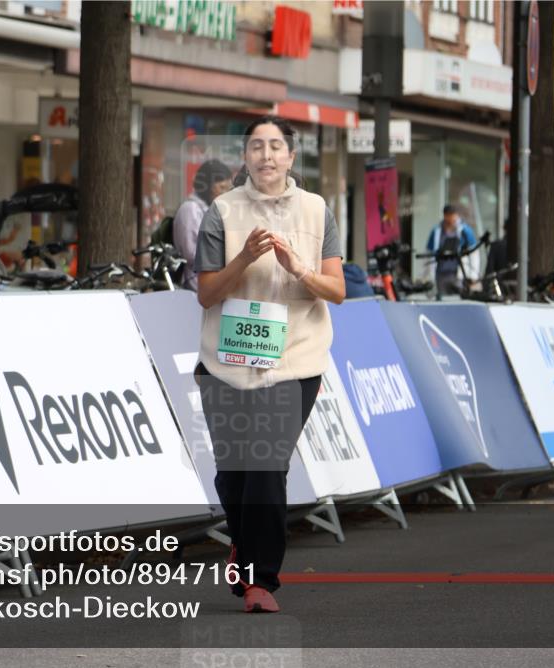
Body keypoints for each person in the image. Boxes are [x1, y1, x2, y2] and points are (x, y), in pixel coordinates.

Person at [193, 115, 345, 613]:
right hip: (226, 361)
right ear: (245, 157)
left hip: (295, 361)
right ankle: (242, 540)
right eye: (256, 147)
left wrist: (297, 267)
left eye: (276, 146)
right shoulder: (221, 211)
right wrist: (243, 258)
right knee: (232, 474)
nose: (266, 156)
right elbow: (207, 293)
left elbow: (337, 291)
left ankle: (261, 580)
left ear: (291, 156)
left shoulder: (317, 211)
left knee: (266, 464)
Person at [173, 159, 232, 291]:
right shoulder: (191, 209)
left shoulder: (214, 209)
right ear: (206, 186)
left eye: (228, 189)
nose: (225, 193)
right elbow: (190, 252)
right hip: (196, 282)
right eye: (221, 188)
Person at [425, 204, 477, 296]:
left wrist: (472, 275)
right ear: (445, 216)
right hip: (440, 274)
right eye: (449, 216)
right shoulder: (436, 231)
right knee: (442, 297)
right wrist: (427, 275)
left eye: (453, 216)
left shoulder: (465, 231)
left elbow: (474, 253)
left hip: (458, 274)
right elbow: (429, 253)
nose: (451, 220)